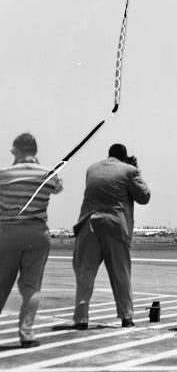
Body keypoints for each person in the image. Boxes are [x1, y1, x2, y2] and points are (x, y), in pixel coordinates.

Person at [72, 143, 151, 329]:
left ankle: (81, 319)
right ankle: (126, 317)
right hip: (114, 226)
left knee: (85, 274)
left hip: (88, 225)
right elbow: (144, 197)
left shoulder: (91, 169)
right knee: (120, 274)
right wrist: (136, 170)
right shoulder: (129, 170)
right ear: (124, 157)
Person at [0, 133, 63, 347]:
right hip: (37, 233)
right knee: (31, 287)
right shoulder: (48, 174)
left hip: (8, 233)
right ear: (35, 152)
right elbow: (58, 187)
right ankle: (26, 334)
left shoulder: (3, 174)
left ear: (16, 150)